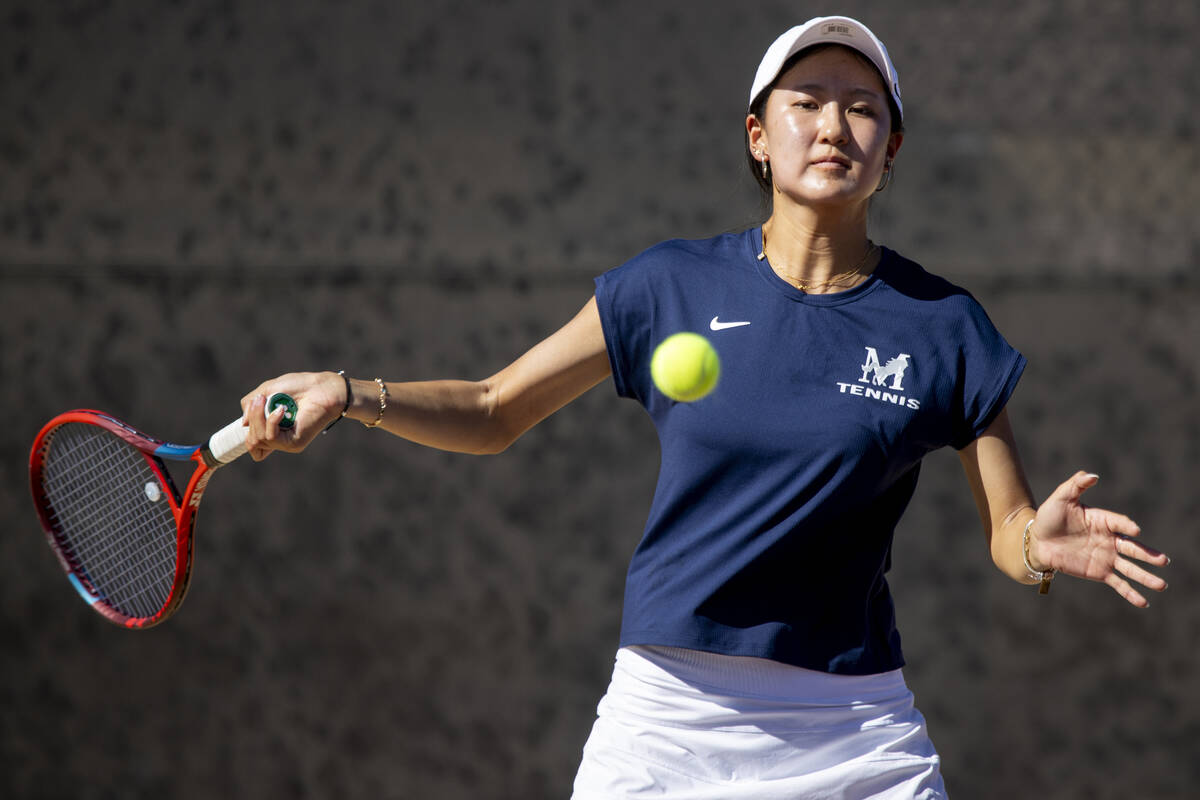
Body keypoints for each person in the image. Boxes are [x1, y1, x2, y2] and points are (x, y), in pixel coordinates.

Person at [236, 16, 1169, 798]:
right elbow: (493, 407)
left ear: (890, 150)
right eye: (805, 103)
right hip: (667, 720)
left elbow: (1006, 527)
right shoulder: (667, 286)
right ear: (759, 136)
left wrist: (1035, 549)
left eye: (862, 107)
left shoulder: (945, 327)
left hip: (852, 731)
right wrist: (351, 394)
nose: (833, 124)